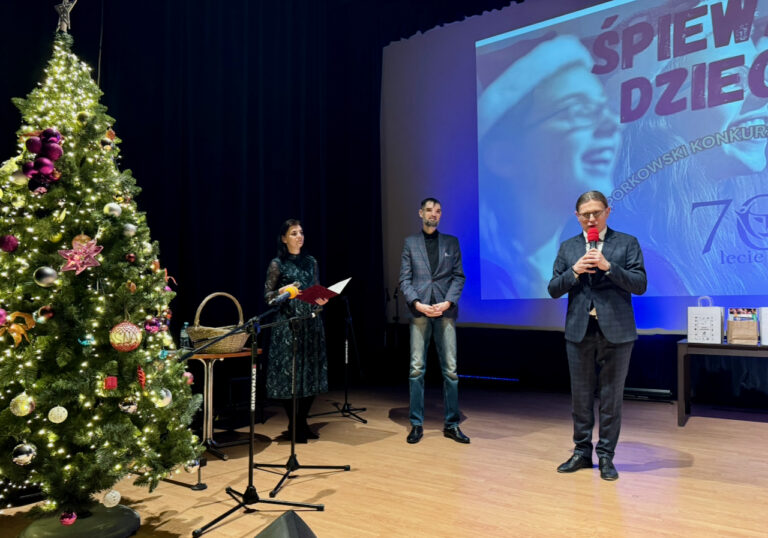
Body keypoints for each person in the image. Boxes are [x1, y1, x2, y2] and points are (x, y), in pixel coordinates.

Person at [477, 34, 622, 299]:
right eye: (579, 110)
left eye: (606, 109)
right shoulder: (487, 280)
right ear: (504, 157)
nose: (611, 126)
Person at [547, 191, 647, 480]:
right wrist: (574, 271)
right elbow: (553, 289)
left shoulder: (627, 243)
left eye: (596, 212)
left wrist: (609, 267)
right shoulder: (568, 247)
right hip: (579, 331)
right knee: (580, 397)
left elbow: (640, 284)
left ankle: (606, 456)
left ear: (607, 212)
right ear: (577, 216)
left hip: (617, 331)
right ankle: (581, 452)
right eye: (585, 214)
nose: (591, 218)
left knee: (611, 398)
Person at [398, 197, 468, 444]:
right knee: (416, 369)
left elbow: (459, 276)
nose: (434, 214)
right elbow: (404, 279)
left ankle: (452, 424)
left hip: (444, 311)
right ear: (420, 213)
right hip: (420, 311)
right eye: (429, 210)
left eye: (438, 211)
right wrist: (417, 304)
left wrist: (448, 302)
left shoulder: (451, 242)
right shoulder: (410, 243)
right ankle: (416, 423)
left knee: (451, 370)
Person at [264, 219, 329, 443]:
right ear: (284, 238)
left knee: (310, 376)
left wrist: (321, 300)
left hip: (311, 324)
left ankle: (300, 423)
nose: (299, 236)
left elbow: (316, 289)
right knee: (288, 377)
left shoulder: (311, 262)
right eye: (293, 233)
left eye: (301, 232)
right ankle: (295, 423)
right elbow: (268, 298)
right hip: (287, 326)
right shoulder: (277, 264)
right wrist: (282, 290)